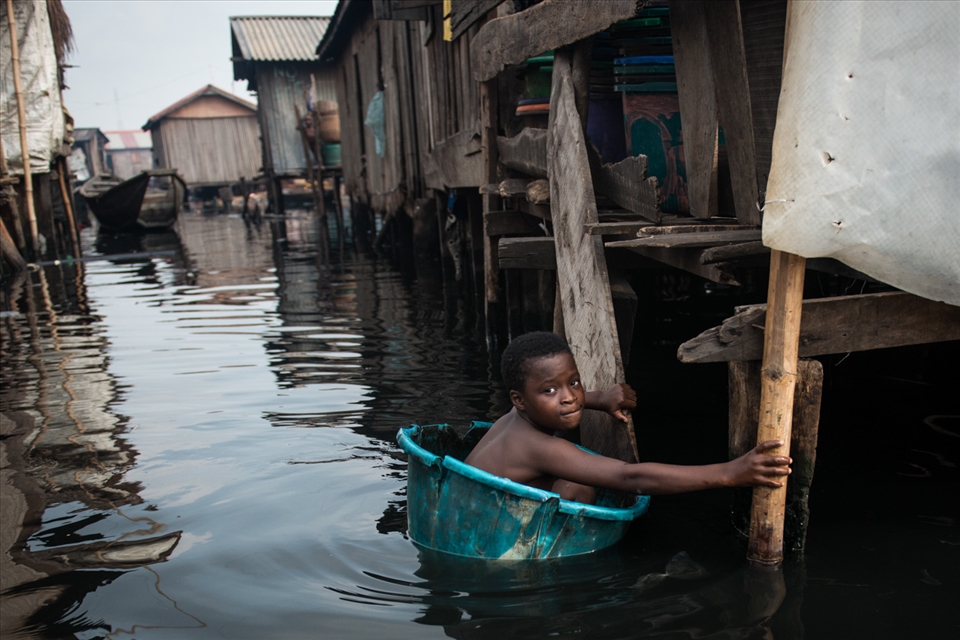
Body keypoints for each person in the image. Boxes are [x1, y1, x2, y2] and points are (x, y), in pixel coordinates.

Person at [465, 331, 792, 504]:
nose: (569, 397)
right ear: (519, 400)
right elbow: (630, 478)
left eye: (574, 383)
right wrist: (731, 473)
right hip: (481, 535)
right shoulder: (538, 448)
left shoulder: (514, 418)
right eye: (550, 390)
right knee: (579, 488)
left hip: (458, 502)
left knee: (571, 479)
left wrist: (599, 399)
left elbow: (561, 397)